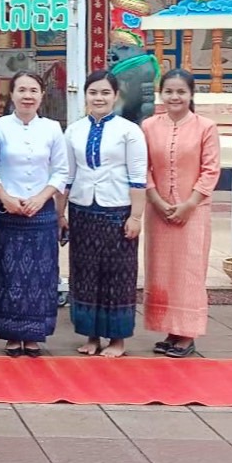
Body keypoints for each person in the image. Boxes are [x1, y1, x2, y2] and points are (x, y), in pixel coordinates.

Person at [64, 70, 148, 358]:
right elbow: (68, 176)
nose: (98, 98)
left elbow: (138, 177)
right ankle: (91, 336)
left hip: (117, 210)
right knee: (85, 274)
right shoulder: (74, 131)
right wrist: (61, 213)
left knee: (118, 276)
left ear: (115, 96)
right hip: (82, 208)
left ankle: (117, 339)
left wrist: (135, 217)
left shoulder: (129, 131)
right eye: (93, 92)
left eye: (104, 93)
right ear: (85, 95)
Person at [142, 69, 222, 359]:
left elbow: (211, 169)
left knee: (189, 271)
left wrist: (189, 204)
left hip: (194, 212)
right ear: (160, 94)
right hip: (158, 210)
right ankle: (170, 330)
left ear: (191, 94)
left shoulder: (206, 127)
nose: (174, 97)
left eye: (180, 92)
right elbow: (143, 167)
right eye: (169, 91)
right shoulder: (148, 126)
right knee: (162, 271)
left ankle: (187, 334)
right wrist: (156, 200)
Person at [0, 71, 68, 357]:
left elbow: (61, 171)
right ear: (11, 94)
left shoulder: (52, 128)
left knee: (40, 274)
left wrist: (41, 198)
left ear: (42, 95)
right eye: (21, 90)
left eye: (33, 90)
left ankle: (34, 335)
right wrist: (5, 197)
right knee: (7, 272)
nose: (27, 96)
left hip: (41, 212)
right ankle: (11, 334)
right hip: (7, 210)